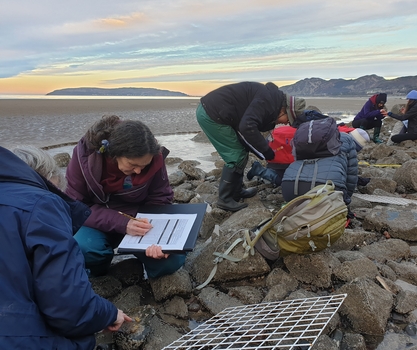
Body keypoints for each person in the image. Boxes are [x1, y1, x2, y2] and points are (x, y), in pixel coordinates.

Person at [0, 146, 131, 349]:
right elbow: (67, 307)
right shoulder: (43, 202)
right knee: (82, 339)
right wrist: (109, 314)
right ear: (50, 179)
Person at [65, 115, 186, 278]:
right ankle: (102, 275)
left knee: (171, 259)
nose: (138, 171)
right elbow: (76, 206)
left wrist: (160, 239)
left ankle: (150, 279)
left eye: (144, 166)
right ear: (114, 153)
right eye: (133, 165)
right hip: (96, 220)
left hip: (140, 220)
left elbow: (160, 198)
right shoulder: (84, 157)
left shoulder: (152, 156)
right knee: (83, 247)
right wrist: (122, 223)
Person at [196, 81, 306, 211]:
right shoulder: (267, 101)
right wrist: (266, 151)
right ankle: (225, 199)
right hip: (211, 114)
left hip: (220, 113)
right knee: (236, 156)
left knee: (242, 151)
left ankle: (236, 192)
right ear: (284, 110)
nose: (287, 123)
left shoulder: (271, 100)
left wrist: (259, 148)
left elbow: (248, 127)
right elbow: (247, 126)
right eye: (288, 119)